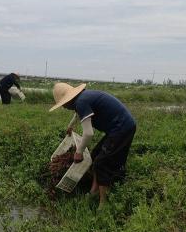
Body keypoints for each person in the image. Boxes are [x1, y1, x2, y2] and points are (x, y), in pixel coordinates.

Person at [49, 82, 136, 210]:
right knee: (95, 157)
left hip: (122, 128)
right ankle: (93, 191)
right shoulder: (83, 98)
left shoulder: (81, 102)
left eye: (63, 104)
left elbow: (89, 133)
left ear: (68, 101)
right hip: (118, 128)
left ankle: (103, 204)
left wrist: (79, 152)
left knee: (101, 163)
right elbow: (79, 113)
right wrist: (71, 125)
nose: (63, 107)